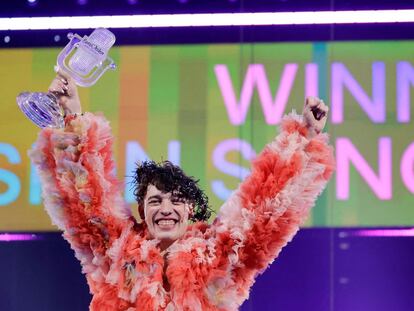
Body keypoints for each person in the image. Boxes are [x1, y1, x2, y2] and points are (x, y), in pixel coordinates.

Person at [29, 71, 335, 311]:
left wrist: (302, 137)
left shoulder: (218, 255)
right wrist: (71, 117)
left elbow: (261, 209)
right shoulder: (116, 253)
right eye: (155, 200)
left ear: (190, 210)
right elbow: (86, 200)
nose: (165, 208)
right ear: (142, 209)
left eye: (176, 201)